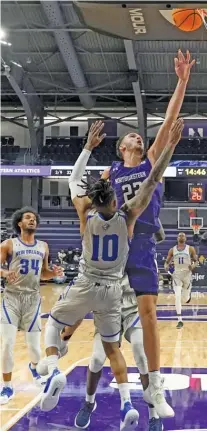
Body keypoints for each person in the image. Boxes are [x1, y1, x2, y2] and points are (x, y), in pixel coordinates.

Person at [40, 119, 183, 428]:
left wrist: (88, 148)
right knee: (120, 353)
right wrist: (170, 146)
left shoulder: (84, 214)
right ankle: (129, 404)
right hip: (113, 293)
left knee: (63, 331)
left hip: (95, 286)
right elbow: (152, 182)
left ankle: (54, 361)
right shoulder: (128, 220)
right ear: (116, 199)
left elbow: (75, 181)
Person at [101, 50, 194, 416]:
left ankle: (155, 388)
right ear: (122, 149)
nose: (139, 137)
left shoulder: (153, 157)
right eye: (131, 138)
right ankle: (52, 358)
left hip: (141, 246)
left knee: (150, 314)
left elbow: (170, 116)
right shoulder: (110, 173)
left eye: (141, 136)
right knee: (101, 321)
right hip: (113, 244)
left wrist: (182, 81)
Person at [38, 276, 164, 431]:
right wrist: (65, 338)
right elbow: (84, 302)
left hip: (134, 308)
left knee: (141, 353)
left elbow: (151, 292)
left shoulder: (142, 254)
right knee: (97, 359)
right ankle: (89, 402)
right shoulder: (103, 259)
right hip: (108, 308)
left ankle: (154, 414)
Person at [0, 207, 63, 405]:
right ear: (19, 223)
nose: (32, 220)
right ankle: (7, 387)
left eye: (34, 218)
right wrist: (4, 274)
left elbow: (43, 273)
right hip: (11, 298)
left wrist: (53, 274)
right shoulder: (9, 244)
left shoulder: (43, 246)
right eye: (27, 218)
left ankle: (35, 370)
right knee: (8, 344)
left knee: (35, 347)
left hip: (33, 300)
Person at [164, 232, 198, 329]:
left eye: (183, 235)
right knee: (177, 296)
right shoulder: (172, 250)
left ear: (186, 238)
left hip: (187, 274)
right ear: (177, 238)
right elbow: (166, 263)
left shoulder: (190, 248)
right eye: (179, 235)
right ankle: (180, 320)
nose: (181, 236)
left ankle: (188, 297)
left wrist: (193, 266)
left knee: (185, 298)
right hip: (177, 274)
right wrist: (166, 267)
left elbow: (196, 261)